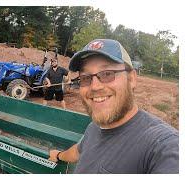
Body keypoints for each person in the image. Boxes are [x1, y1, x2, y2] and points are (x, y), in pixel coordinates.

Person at [48, 39, 178, 173]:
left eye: (107, 74)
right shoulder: (94, 127)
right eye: (86, 77)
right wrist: (59, 155)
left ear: (132, 79)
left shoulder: (162, 145)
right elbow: (79, 151)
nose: (95, 86)